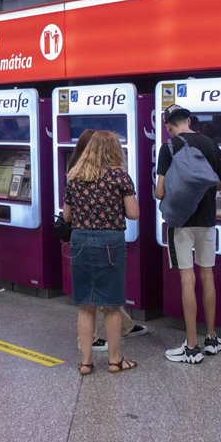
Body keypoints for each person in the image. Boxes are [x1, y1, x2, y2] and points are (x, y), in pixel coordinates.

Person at [155, 104, 221, 364]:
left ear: (168, 126)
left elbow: (159, 191)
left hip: (181, 222)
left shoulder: (168, 147)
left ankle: (191, 347)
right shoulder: (210, 144)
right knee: (207, 275)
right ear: (189, 120)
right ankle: (211, 338)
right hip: (207, 220)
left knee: (187, 279)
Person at [62, 130, 140, 375]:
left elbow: (67, 216)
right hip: (110, 242)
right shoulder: (120, 177)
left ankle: (86, 362)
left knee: (85, 305)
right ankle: (115, 361)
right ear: (114, 150)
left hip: (80, 241)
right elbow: (133, 213)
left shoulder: (75, 176)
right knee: (112, 305)